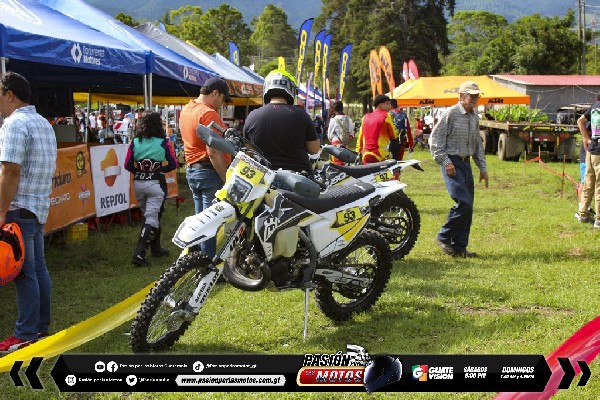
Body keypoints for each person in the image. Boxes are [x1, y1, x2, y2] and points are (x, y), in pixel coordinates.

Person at [0, 72, 57, 352]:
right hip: (37, 206)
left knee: (24, 273)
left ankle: (25, 333)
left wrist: (1, 210)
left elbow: (10, 171)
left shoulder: (14, 124)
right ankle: (40, 328)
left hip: (18, 207)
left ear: (10, 94)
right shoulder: (43, 123)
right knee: (37, 269)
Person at [430, 81, 489, 258]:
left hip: (466, 163)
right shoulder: (451, 114)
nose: (475, 99)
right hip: (452, 163)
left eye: (477, 96)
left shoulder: (474, 117)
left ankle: (460, 248)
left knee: (468, 207)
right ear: (461, 96)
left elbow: (477, 144)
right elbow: (435, 141)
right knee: (464, 203)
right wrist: (446, 162)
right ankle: (444, 236)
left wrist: (483, 168)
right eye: (472, 95)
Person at [179, 77, 232, 258]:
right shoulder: (208, 113)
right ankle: (207, 264)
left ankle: (194, 259)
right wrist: (225, 178)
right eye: (223, 99)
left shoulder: (187, 109)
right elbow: (213, 152)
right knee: (210, 224)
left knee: (199, 221)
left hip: (193, 169)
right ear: (215, 93)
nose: (222, 105)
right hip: (209, 171)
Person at [243, 69, 319, 180]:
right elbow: (314, 149)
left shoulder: (252, 116)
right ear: (291, 90)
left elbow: (249, 150)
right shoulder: (301, 115)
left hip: (264, 180)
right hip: (298, 179)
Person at [125, 111, 178, 266]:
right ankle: (139, 254)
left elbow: (127, 164)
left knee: (151, 216)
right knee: (153, 218)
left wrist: (140, 172)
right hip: (156, 183)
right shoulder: (164, 142)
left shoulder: (135, 142)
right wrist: (160, 170)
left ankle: (156, 249)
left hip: (139, 183)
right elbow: (174, 163)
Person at [575, 92, 600, 228]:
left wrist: (587, 139)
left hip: (591, 150)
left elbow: (580, 121)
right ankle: (599, 220)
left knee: (588, 183)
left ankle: (583, 214)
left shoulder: (594, 107)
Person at [355, 94, 399, 164]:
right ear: (380, 105)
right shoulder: (387, 115)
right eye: (388, 104)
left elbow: (360, 137)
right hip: (380, 155)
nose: (390, 106)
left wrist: (358, 152)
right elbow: (394, 135)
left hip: (365, 154)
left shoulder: (365, 117)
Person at [327, 101, 354, 165]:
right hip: (345, 144)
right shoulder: (349, 120)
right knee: (344, 163)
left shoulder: (333, 120)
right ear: (342, 108)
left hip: (335, 145)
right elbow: (351, 134)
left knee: (336, 164)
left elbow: (329, 135)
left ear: (334, 109)